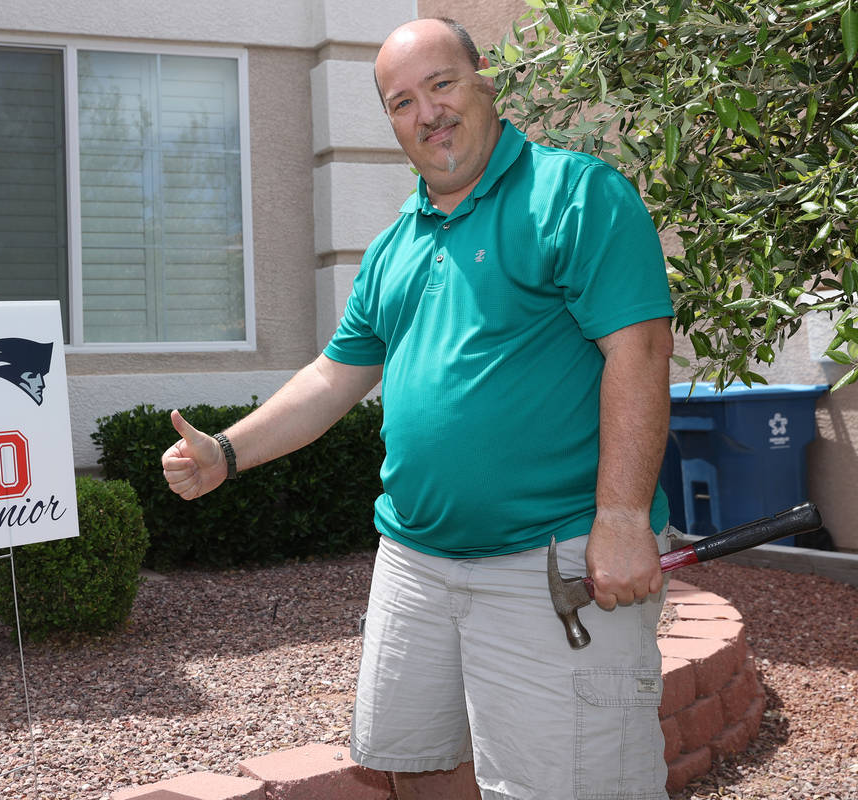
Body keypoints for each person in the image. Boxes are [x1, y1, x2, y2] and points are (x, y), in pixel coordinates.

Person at [161, 16, 674, 800]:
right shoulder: (396, 245)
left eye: (441, 84)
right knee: (423, 767)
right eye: (403, 101)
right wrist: (225, 452)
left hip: (551, 561)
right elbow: (335, 377)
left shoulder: (575, 195)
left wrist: (623, 517)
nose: (428, 112)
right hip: (416, 565)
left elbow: (638, 354)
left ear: (485, 80)